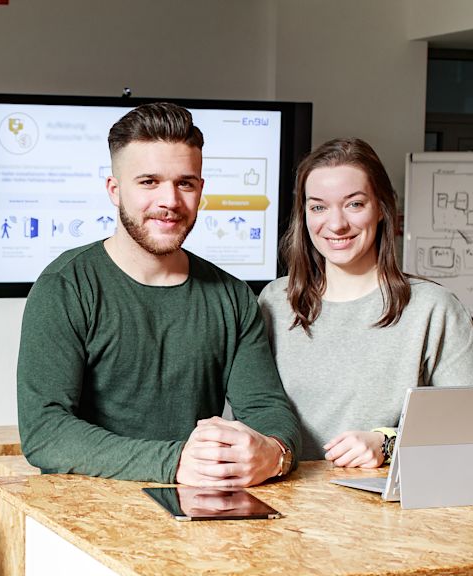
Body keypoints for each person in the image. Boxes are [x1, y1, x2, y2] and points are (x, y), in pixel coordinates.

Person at [17, 102, 301, 487]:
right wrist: (176, 462)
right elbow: (46, 432)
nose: (169, 200)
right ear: (114, 190)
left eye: (185, 182)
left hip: (198, 505)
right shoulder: (65, 286)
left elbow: (267, 409)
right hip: (89, 509)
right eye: (148, 181)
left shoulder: (232, 297)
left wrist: (273, 452)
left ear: (200, 189)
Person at [258, 138, 473, 468]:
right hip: (288, 502)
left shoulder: (433, 308)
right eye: (318, 207)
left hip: (388, 508)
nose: (336, 224)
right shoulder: (274, 303)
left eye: (354, 204)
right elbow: (250, 417)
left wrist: (388, 443)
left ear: (382, 208)